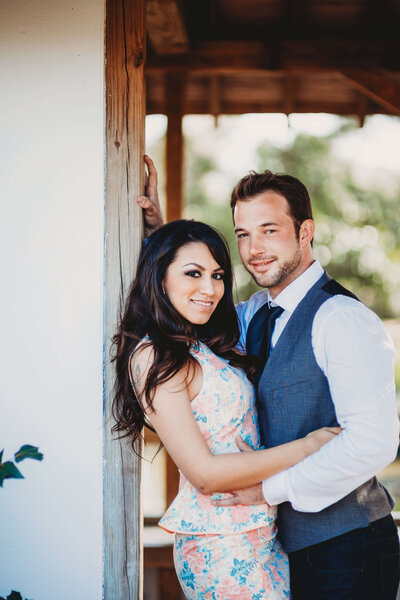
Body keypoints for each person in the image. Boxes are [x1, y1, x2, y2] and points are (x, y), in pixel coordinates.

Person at [138, 156, 400, 600]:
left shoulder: (342, 318)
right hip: (274, 549)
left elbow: (374, 442)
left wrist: (269, 490)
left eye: (269, 230)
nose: (254, 248)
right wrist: (162, 240)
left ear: (305, 232)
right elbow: (187, 305)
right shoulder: (251, 315)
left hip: (348, 548)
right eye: (243, 234)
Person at [111, 219, 340, 599]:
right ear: (159, 278)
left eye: (217, 275)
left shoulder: (200, 341)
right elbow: (204, 474)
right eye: (194, 274)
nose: (210, 288)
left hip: (261, 532)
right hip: (220, 546)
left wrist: (159, 225)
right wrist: (307, 447)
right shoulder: (154, 356)